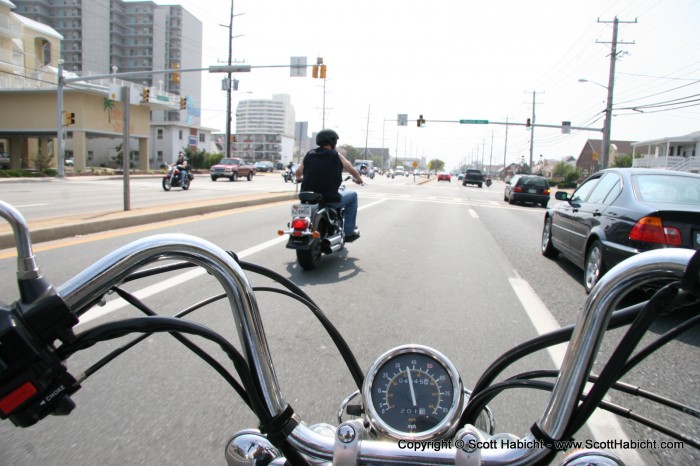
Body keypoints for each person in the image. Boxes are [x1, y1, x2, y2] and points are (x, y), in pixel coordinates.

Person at [295, 129, 362, 242]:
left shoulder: (309, 154)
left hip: (307, 198)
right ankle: (349, 232)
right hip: (329, 198)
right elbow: (350, 168)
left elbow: (298, 172)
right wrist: (359, 179)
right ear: (333, 142)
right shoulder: (336, 155)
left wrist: (299, 179)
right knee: (353, 195)